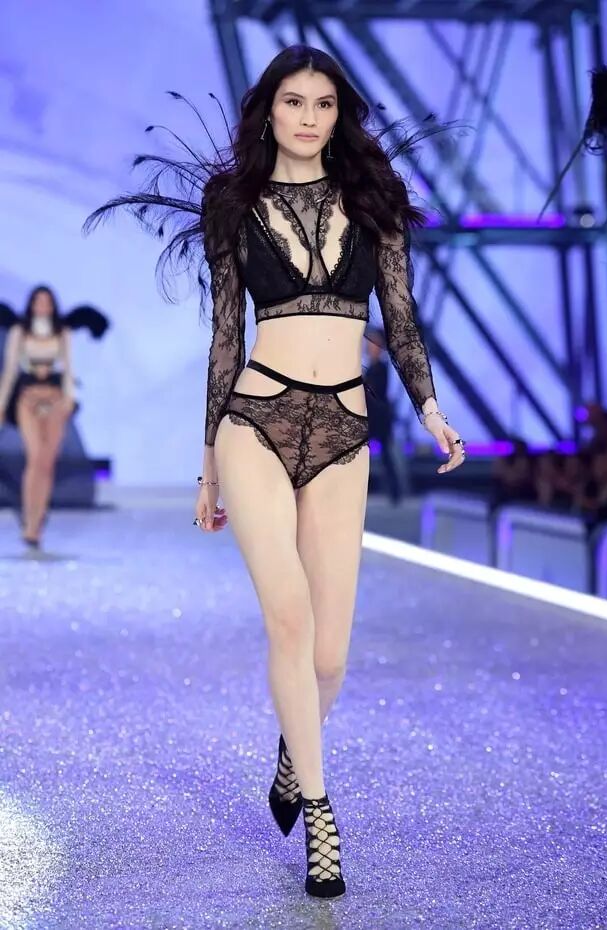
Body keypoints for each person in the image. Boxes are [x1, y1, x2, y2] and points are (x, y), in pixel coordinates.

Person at [84, 44, 466, 899]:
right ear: (269, 110)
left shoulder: (375, 200)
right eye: (294, 101)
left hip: (343, 429)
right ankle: (321, 814)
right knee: (289, 620)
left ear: (339, 115)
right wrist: (206, 469)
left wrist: (430, 410)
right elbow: (226, 335)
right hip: (254, 422)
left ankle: (296, 752)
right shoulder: (234, 204)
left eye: (324, 104)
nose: (308, 117)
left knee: (331, 654)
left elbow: (401, 320)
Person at [0, 286, 77, 548]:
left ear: (53, 305)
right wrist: (1, 405)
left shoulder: (62, 332)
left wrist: (69, 400)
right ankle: (30, 522)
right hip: (28, 401)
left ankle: (38, 520)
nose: (42, 306)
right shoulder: (19, 332)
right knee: (34, 458)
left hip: (55, 401)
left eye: (47, 301)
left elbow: (68, 369)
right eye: (38, 301)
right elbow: (10, 371)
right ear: (31, 304)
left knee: (47, 462)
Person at [364, 326, 402, 503]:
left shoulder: (380, 368)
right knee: (367, 455)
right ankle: (367, 490)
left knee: (386, 456)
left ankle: (395, 492)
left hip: (379, 419)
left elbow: (376, 392)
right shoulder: (371, 368)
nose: (370, 347)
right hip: (372, 418)